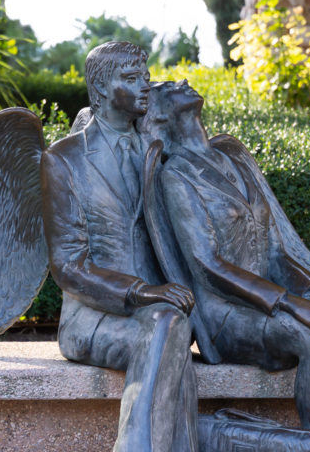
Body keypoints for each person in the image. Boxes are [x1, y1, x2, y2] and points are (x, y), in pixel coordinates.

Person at [140, 80, 310, 452]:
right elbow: (209, 265)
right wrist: (290, 303)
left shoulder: (233, 157)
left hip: (269, 304)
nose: (181, 81)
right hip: (227, 315)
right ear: (160, 112)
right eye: (168, 86)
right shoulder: (175, 175)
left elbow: (275, 250)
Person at [40, 43, 200, 452]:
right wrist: (144, 293)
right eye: (131, 78)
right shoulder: (65, 159)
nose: (145, 85)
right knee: (168, 328)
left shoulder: (160, 150)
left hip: (165, 312)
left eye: (145, 76)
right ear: (100, 89)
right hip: (93, 319)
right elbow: (68, 266)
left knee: (170, 329)